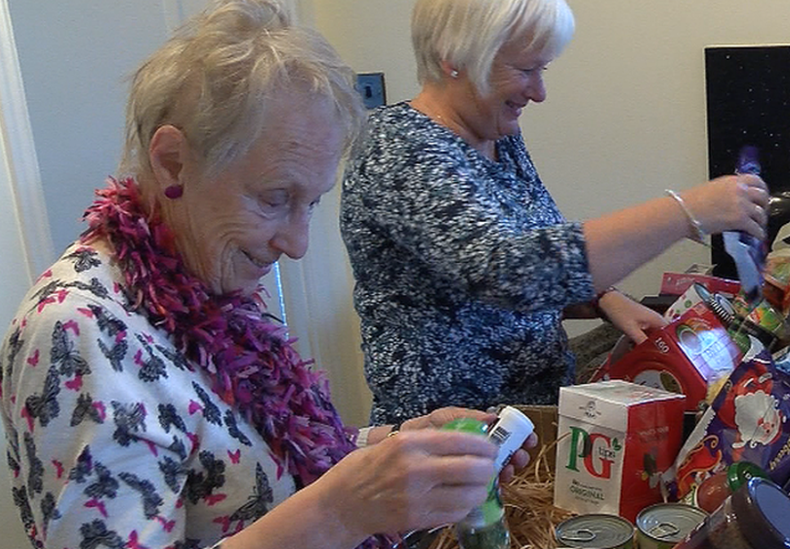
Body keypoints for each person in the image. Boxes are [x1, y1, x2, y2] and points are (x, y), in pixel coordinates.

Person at [0, 2, 535, 548]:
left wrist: (392, 448)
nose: (297, 244)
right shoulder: (79, 330)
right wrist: (340, 513)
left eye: (311, 202)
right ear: (173, 162)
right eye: (275, 198)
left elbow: (244, 465)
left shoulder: (205, 288)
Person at [340, 0, 770, 425]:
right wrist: (686, 211)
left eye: (541, 70)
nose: (539, 92)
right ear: (454, 59)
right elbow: (507, 271)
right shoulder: (399, 148)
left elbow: (539, 246)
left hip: (528, 420)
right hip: (451, 442)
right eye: (525, 70)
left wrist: (603, 298)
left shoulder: (495, 135)